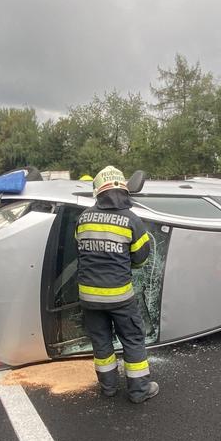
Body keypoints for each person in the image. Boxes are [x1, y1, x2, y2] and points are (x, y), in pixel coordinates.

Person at [75, 165, 159, 403]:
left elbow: (80, 253)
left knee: (101, 342)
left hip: (89, 298)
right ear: (123, 189)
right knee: (132, 340)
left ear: (98, 191)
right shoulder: (131, 220)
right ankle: (139, 391)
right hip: (120, 297)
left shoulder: (84, 218)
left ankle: (108, 388)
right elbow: (141, 259)